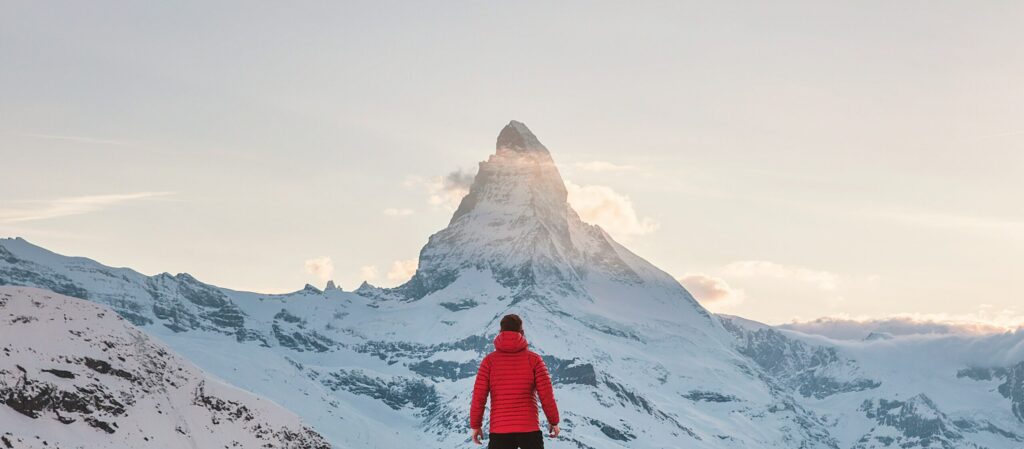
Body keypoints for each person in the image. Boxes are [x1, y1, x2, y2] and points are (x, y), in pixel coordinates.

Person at [470, 314, 560, 448]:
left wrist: (476, 426)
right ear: (522, 333)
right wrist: (553, 421)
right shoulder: (534, 360)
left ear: (500, 333)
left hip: (499, 431)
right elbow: (546, 395)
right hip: (529, 430)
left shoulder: (489, 362)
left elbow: (479, 397)